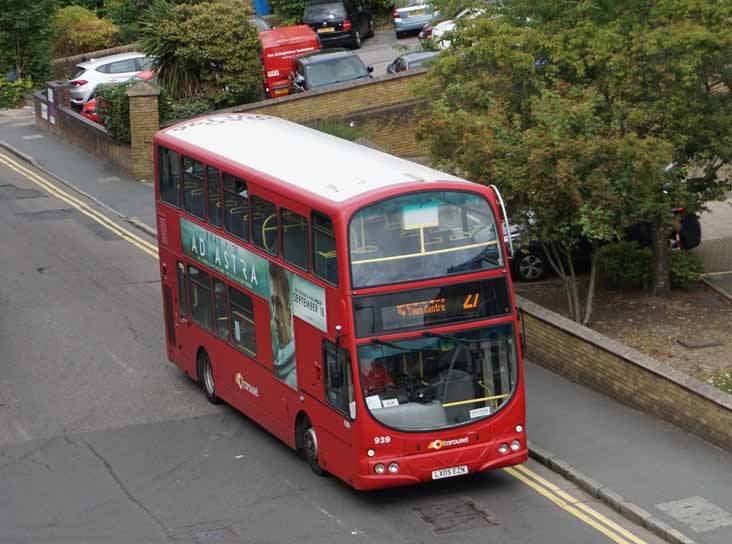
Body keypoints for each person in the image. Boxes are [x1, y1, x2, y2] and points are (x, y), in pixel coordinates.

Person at [269, 263, 297, 388]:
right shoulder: (277, 360)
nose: (274, 316)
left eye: (279, 306)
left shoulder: (293, 377)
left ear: (290, 313)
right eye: (273, 304)